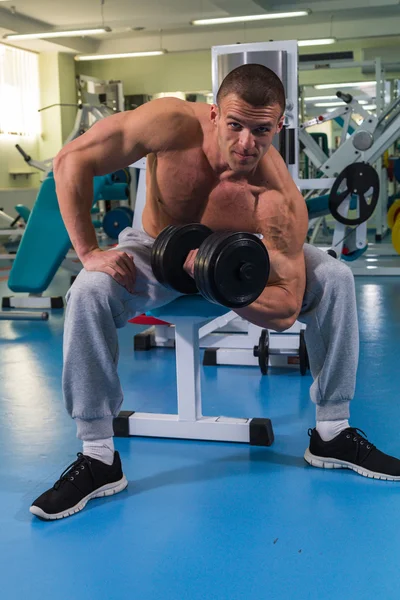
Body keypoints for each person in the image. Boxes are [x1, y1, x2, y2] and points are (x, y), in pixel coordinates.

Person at [30, 64, 400, 520]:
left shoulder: (276, 195)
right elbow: (72, 159)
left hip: (240, 264)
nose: (246, 143)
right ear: (213, 113)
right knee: (87, 290)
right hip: (156, 253)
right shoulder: (169, 124)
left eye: (261, 130)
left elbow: (284, 308)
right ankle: (99, 456)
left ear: (278, 126)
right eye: (235, 125)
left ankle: (332, 431)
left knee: (336, 279)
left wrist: (221, 282)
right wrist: (88, 251)